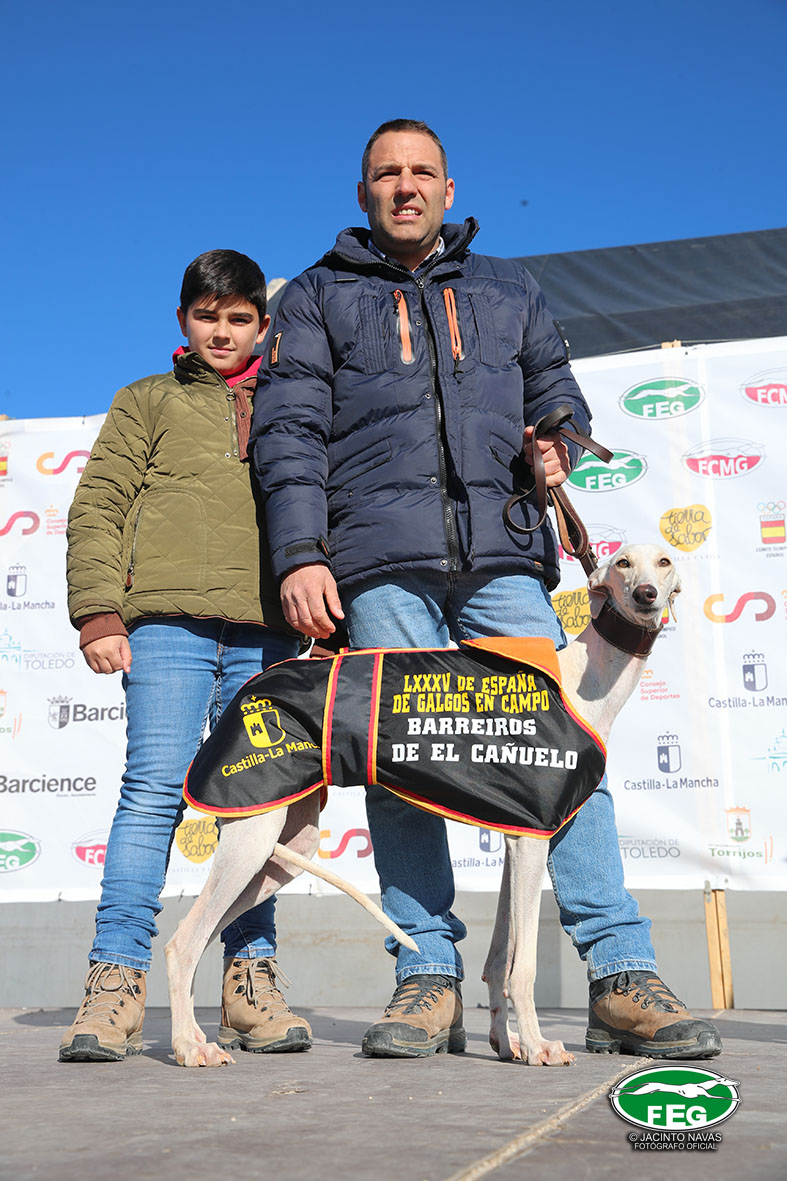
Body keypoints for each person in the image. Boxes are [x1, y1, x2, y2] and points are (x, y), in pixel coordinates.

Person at [250, 120, 722, 1062]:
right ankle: (427, 975)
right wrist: (300, 553)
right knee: (402, 767)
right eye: (386, 174)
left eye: (421, 172)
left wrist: (558, 434)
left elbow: (556, 387)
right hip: (377, 564)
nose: (405, 187)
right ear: (362, 194)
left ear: (449, 188)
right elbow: (289, 429)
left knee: (563, 758)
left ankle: (618, 973)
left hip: (505, 558)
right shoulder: (315, 294)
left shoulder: (508, 285)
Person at [60, 250, 311, 1062]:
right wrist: (99, 612)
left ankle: (249, 978)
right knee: (150, 795)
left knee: (258, 808)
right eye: (207, 316)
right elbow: (99, 504)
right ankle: (116, 981)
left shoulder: (293, 401)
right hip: (165, 625)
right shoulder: (146, 400)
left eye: (239, 318)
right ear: (182, 320)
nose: (222, 331)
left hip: (268, 631)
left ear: (262, 325)